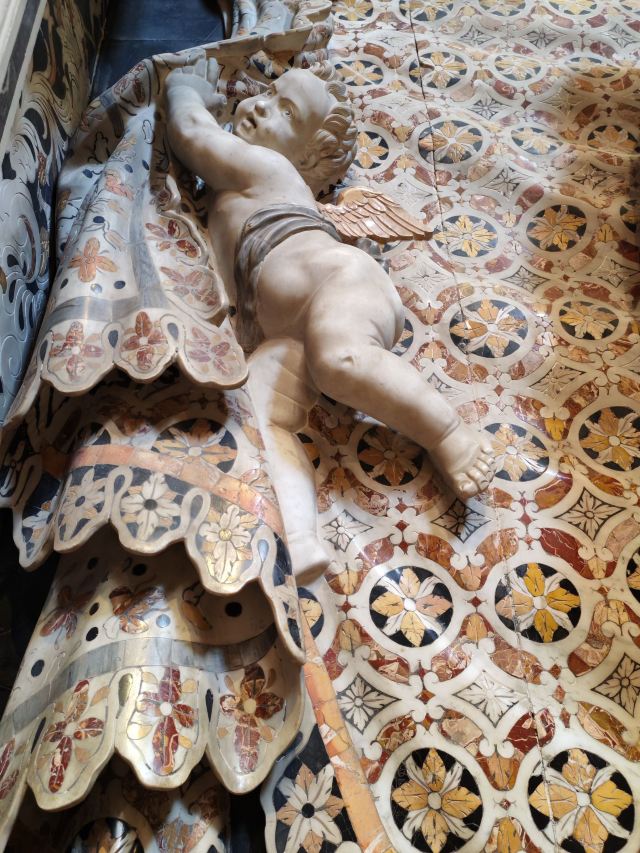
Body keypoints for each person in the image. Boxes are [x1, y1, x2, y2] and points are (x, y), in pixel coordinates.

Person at [165, 60, 497, 583]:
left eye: (284, 111)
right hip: (279, 330)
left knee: (340, 360)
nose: (258, 106)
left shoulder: (268, 169)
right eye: (267, 93)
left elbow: (191, 134)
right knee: (258, 419)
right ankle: (297, 538)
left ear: (306, 158)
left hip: (338, 285)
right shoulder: (241, 183)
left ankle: (450, 432)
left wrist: (183, 89)